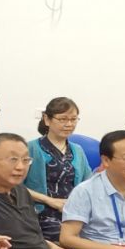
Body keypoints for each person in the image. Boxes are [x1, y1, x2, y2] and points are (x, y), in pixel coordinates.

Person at [24, 97, 92, 241]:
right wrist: (49, 200)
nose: (69, 124)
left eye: (73, 119)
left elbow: (89, 185)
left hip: (74, 214)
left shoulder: (78, 150)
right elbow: (14, 186)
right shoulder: (31, 148)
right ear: (47, 119)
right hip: (41, 214)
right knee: (67, 239)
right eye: (62, 119)